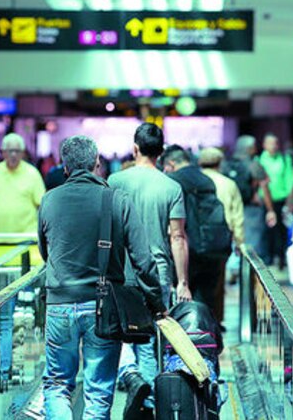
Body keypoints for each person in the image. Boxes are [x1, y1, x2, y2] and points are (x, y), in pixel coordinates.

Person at [38, 135, 166, 420]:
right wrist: (157, 303)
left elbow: (45, 251)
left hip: (59, 304)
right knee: (98, 391)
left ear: (65, 167)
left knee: (57, 383)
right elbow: (143, 260)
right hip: (103, 307)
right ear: (97, 163)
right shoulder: (117, 199)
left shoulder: (49, 200)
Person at [107, 123, 190, 417]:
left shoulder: (115, 180)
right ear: (161, 152)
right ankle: (150, 403)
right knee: (150, 337)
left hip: (122, 269)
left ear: (135, 148)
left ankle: (130, 375)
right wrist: (183, 282)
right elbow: (177, 237)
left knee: (117, 332)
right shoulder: (171, 187)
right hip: (158, 270)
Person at [160, 146, 231, 321]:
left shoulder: (173, 181)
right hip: (212, 248)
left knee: (182, 302)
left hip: (188, 249)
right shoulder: (206, 180)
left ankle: (185, 344)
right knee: (205, 302)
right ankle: (204, 341)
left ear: (171, 163)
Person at [197, 147, 245, 319]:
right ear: (220, 162)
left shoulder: (196, 182)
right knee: (218, 281)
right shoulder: (229, 184)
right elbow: (237, 214)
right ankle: (216, 318)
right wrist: (239, 241)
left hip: (197, 237)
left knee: (197, 280)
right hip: (222, 238)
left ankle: (198, 318)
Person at [0, 133, 45, 238]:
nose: (13, 154)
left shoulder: (33, 173)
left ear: (23, 153)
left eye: (17, 151)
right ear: (3, 152)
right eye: (10, 151)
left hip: (26, 237)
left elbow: (42, 204)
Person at [223, 135, 276, 282]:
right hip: (250, 209)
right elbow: (265, 187)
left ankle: (233, 267)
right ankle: (248, 275)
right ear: (250, 148)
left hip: (231, 208)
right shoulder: (254, 165)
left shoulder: (227, 164)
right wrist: (270, 210)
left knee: (234, 239)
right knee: (252, 242)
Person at [260, 134, 293, 268]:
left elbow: (289, 180)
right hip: (265, 200)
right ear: (264, 145)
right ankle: (268, 258)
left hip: (281, 199)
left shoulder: (285, 159)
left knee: (281, 230)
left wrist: (289, 201)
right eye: (270, 143)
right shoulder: (260, 160)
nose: (273, 146)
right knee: (267, 230)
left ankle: (281, 257)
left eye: (275, 143)